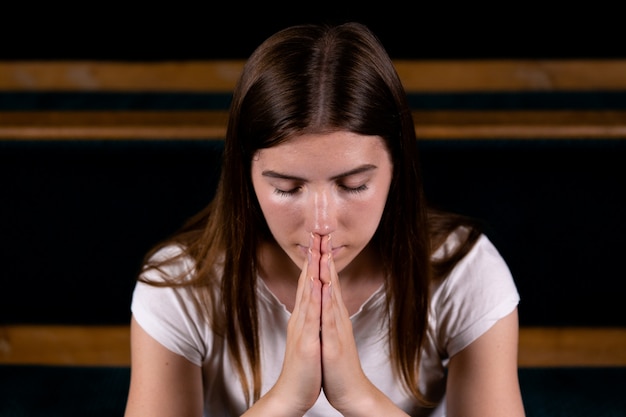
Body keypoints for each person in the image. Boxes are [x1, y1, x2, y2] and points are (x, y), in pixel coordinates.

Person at [123, 22, 526, 417]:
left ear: (396, 172)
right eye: (286, 187)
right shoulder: (180, 283)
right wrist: (284, 400)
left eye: (353, 185)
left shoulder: (464, 272)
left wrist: (358, 397)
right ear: (245, 178)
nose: (321, 223)